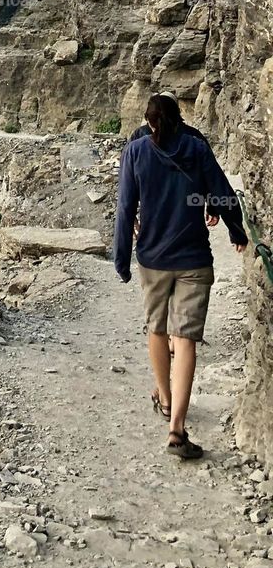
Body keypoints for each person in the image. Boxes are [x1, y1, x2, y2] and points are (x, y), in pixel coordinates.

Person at [114, 93, 249, 459]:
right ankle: (177, 428)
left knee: (156, 329)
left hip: (153, 258)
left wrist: (121, 258)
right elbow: (220, 193)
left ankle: (165, 396)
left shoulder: (136, 151)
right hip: (193, 257)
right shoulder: (196, 147)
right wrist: (237, 232)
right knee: (185, 339)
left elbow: (126, 208)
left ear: (148, 120)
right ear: (179, 118)